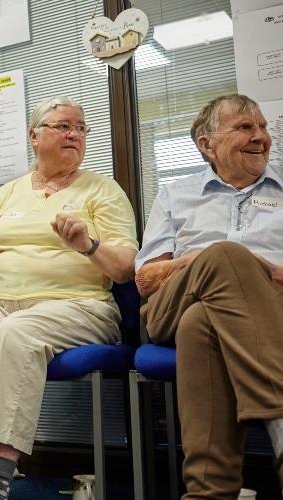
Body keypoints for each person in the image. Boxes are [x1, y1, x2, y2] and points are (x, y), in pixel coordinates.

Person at [0, 96, 138, 500]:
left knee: (15, 334)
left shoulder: (104, 191)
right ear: (34, 136)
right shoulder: (7, 193)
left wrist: (88, 245)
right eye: (63, 126)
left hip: (77, 303)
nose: (74, 134)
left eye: (81, 128)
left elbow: (124, 268)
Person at [135, 94, 283, 499]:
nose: (260, 137)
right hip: (173, 300)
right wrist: (203, 261)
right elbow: (146, 280)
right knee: (224, 256)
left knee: (200, 323)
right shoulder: (174, 194)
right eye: (244, 127)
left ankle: (208, 492)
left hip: (272, 303)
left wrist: (260, 272)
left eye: (263, 127)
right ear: (207, 145)